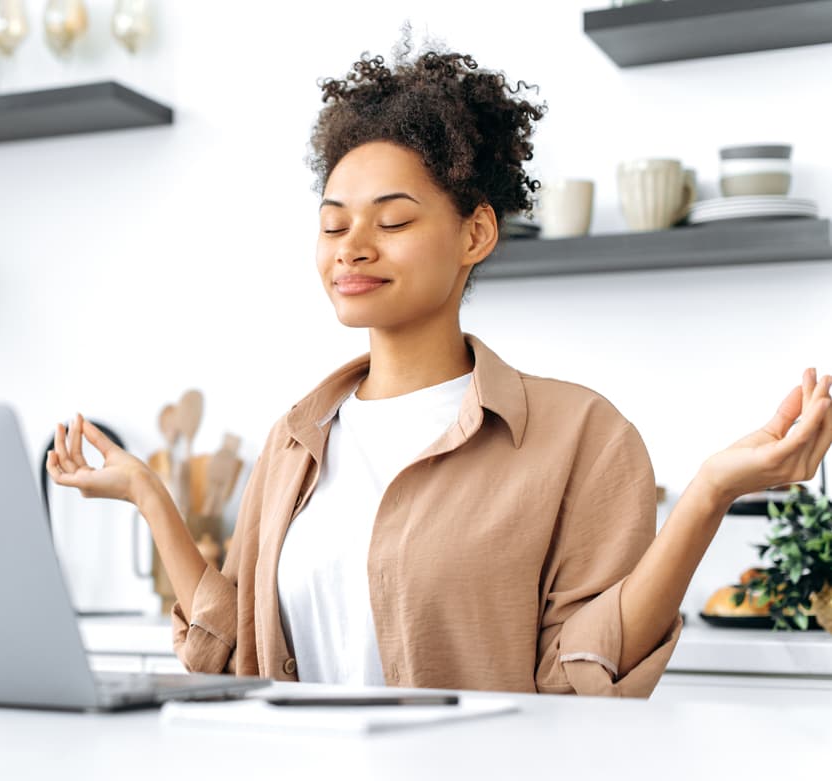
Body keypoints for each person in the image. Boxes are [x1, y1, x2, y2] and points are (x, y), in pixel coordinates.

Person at [46, 36, 832, 697]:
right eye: (333, 224)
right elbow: (228, 649)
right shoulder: (294, 440)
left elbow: (586, 675)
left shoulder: (581, 437)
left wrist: (709, 491)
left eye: (392, 220)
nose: (352, 246)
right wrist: (148, 496)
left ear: (476, 234)